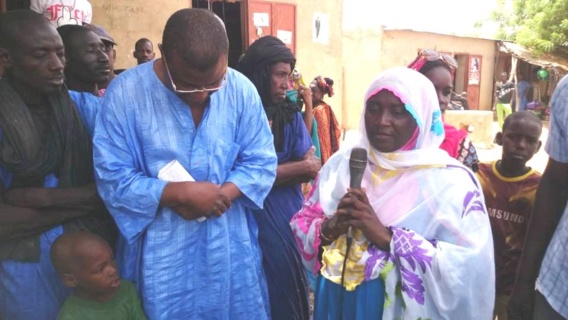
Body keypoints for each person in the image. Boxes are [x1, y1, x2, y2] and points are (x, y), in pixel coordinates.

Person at [93, 9, 277, 319]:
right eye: (188, 86)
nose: (201, 95)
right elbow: (112, 176)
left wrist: (224, 194)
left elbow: (261, 162)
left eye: (214, 84)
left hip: (229, 250)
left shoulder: (242, 90)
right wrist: (175, 194)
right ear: (164, 55)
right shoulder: (125, 94)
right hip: (161, 260)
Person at [290, 67, 495, 319]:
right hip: (335, 299)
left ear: (420, 116)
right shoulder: (342, 163)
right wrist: (330, 227)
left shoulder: (449, 182)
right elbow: (302, 223)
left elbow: (470, 268)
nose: (381, 121)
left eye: (398, 112)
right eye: (374, 108)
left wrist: (387, 238)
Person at [0, 10, 112, 319]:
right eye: (41, 55)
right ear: (6, 57)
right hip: (24, 273)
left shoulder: (88, 109)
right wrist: (88, 201)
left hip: (92, 267)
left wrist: (45, 199)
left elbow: (120, 188)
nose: (57, 65)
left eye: (60, 53)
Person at [237, 35, 318, 320]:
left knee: (286, 279)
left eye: (289, 75)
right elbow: (236, 176)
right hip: (250, 215)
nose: (287, 84)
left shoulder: (289, 114)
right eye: (279, 75)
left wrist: (264, 175)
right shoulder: (240, 114)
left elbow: (311, 160)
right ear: (260, 74)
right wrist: (294, 170)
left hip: (285, 214)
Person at [507, 76, 568, 320]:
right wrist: (524, 282)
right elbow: (556, 184)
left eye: (529, 141)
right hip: (558, 291)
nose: (520, 146)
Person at [476, 111, 542, 320]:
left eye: (530, 141)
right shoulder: (478, 174)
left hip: (512, 286)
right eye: (513, 136)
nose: (521, 145)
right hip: (476, 278)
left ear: (538, 147)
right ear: (499, 138)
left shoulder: (539, 188)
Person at [409, 49, 479, 171]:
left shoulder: (459, 144)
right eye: (431, 90)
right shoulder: (390, 139)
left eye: (446, 92)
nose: (441, 99)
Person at [51, 231, 147, 320]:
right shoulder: (71, 315)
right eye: (100, 269)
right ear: (70, 280)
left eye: (112, 258)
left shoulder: (126, 290)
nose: (113, 270)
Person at [57, 25, 110, 96]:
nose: (105, 58)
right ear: (64, 58)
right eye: (91, 50)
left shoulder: (116, 99)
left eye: (103, 49)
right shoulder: (58, 105)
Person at [310, 76, 341, 165]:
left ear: (321, 93)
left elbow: (322, 140)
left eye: (314, 90)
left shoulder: (320, 110)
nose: (310, 93)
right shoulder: (314, 107)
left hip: (320, 155)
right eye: (310, 89)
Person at [84, 23, 118, 91]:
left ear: (114, 55)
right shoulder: (71, 97)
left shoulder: (129, 89)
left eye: (105, 48)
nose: (103, 57)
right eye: (91, 50)